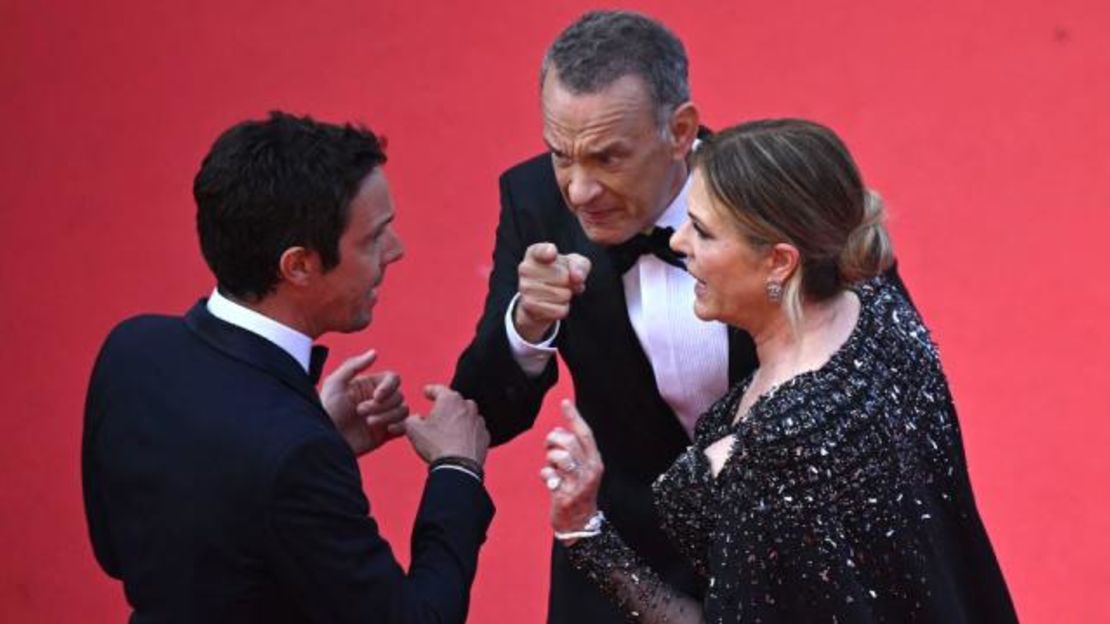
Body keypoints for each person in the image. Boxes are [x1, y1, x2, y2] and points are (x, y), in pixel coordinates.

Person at [450, 11, 909, 622]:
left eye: (609, 158)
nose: (579, 190)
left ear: (680, 129)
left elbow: (890, 378)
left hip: (799, 558)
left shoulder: (777, 192)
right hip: (623, 565)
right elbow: (486, 409)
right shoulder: (535, 203)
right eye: (561, 154)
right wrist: (527, 324)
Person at [539, 119, 1018, 622]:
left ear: (780, 262)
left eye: (702, 231)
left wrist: (584, 533)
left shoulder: (769, 455)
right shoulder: (884, 311)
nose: (678, 242)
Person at [82, 112, 494, 623]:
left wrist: (317, 431)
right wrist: (457, 470)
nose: (396, 251)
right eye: (372, 239)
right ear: (298, 265)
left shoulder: (131, 349)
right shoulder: (294, 451)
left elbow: (117, 552)